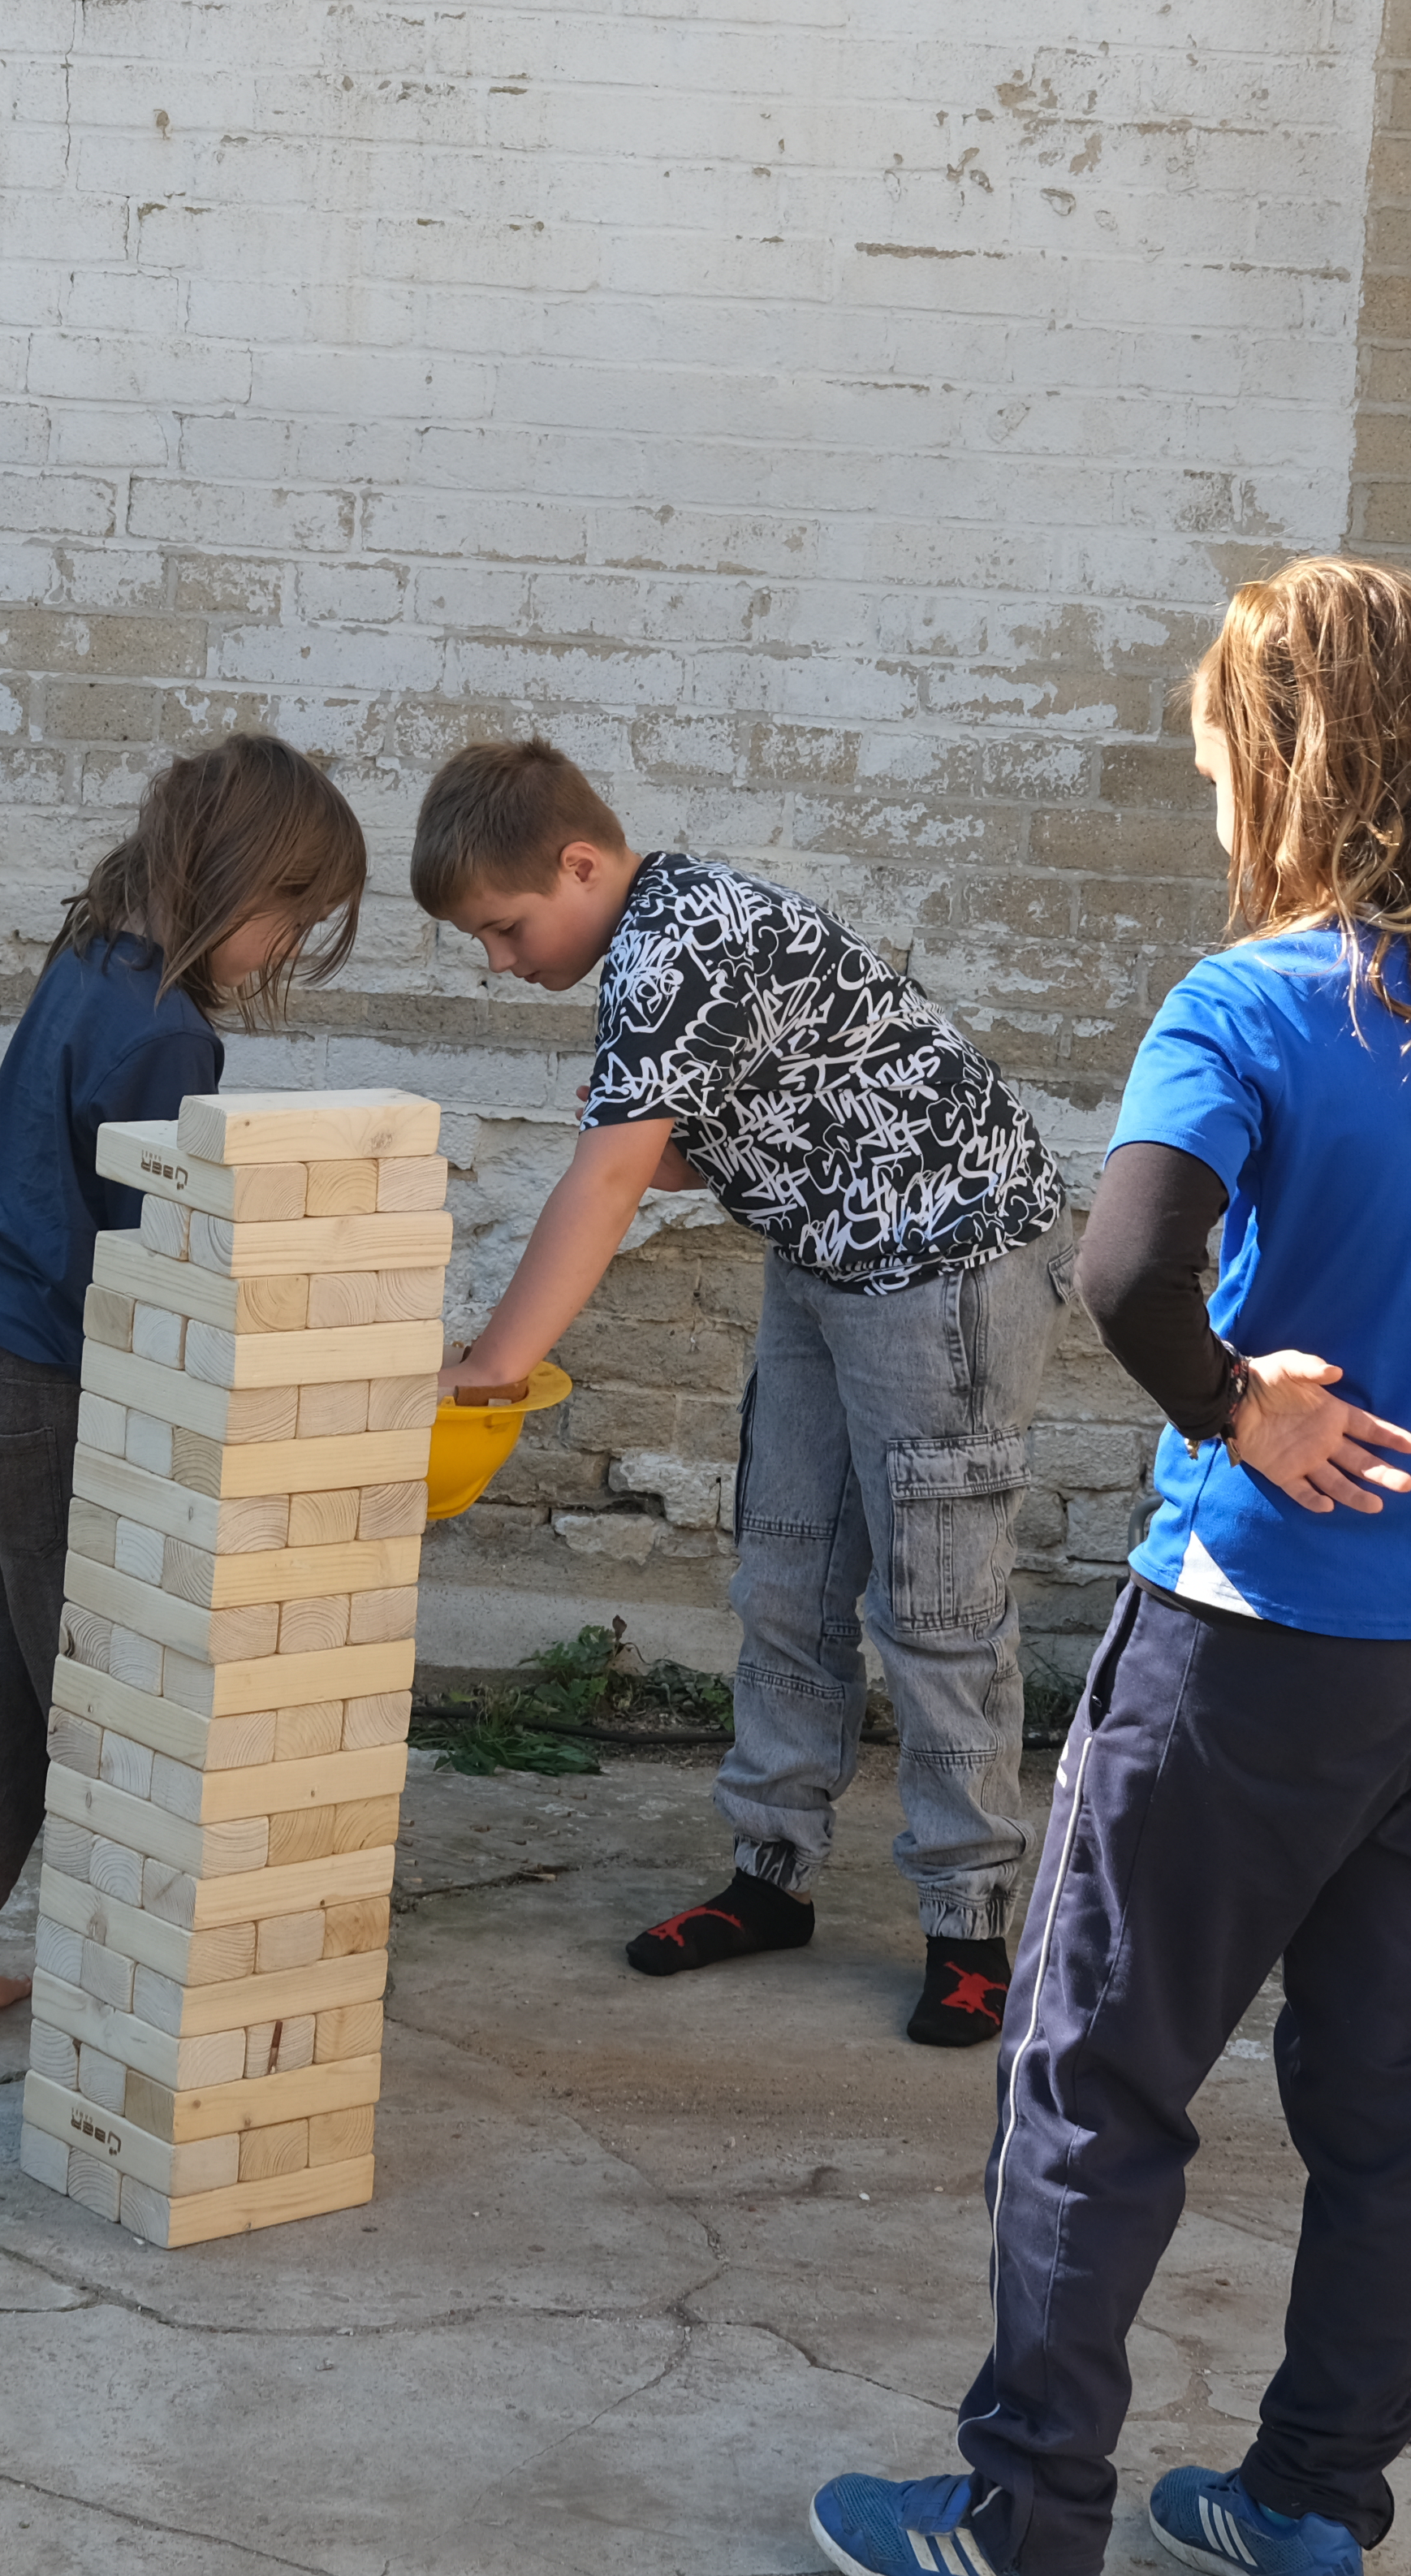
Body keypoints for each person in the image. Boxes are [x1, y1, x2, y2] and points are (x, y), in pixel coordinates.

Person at [808, 558, 1411, 2576]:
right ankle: (1313, 2505)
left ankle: (1024, 2522)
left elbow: (1121, 1271)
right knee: (1381, 2093)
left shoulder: (1248, 1002)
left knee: (1094, 2078)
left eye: (1214, 761)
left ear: (1281, 763)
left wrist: (1237, 1407)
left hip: (1256, 1649)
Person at [415, 737, 1072, 2050]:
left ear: (581, 863)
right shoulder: (655, 942)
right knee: (784, 1574)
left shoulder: (680, 938)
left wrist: (487, 1367)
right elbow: (677, 1149)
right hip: (825, 1258)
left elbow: (608, 1185)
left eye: (505, 927)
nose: (500, 961)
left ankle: (969, 1927)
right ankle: (769, 1879)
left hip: (944, 1269)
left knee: (933, 1606)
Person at [0, 733, 371, 2042]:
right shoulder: (168, 1042)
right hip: (46, 1384)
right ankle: (136, 1997)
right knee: (105, 1694)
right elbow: (150, 1256)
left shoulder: (86, 965)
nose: (280, 948)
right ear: (237, 881)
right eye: (290, 916)